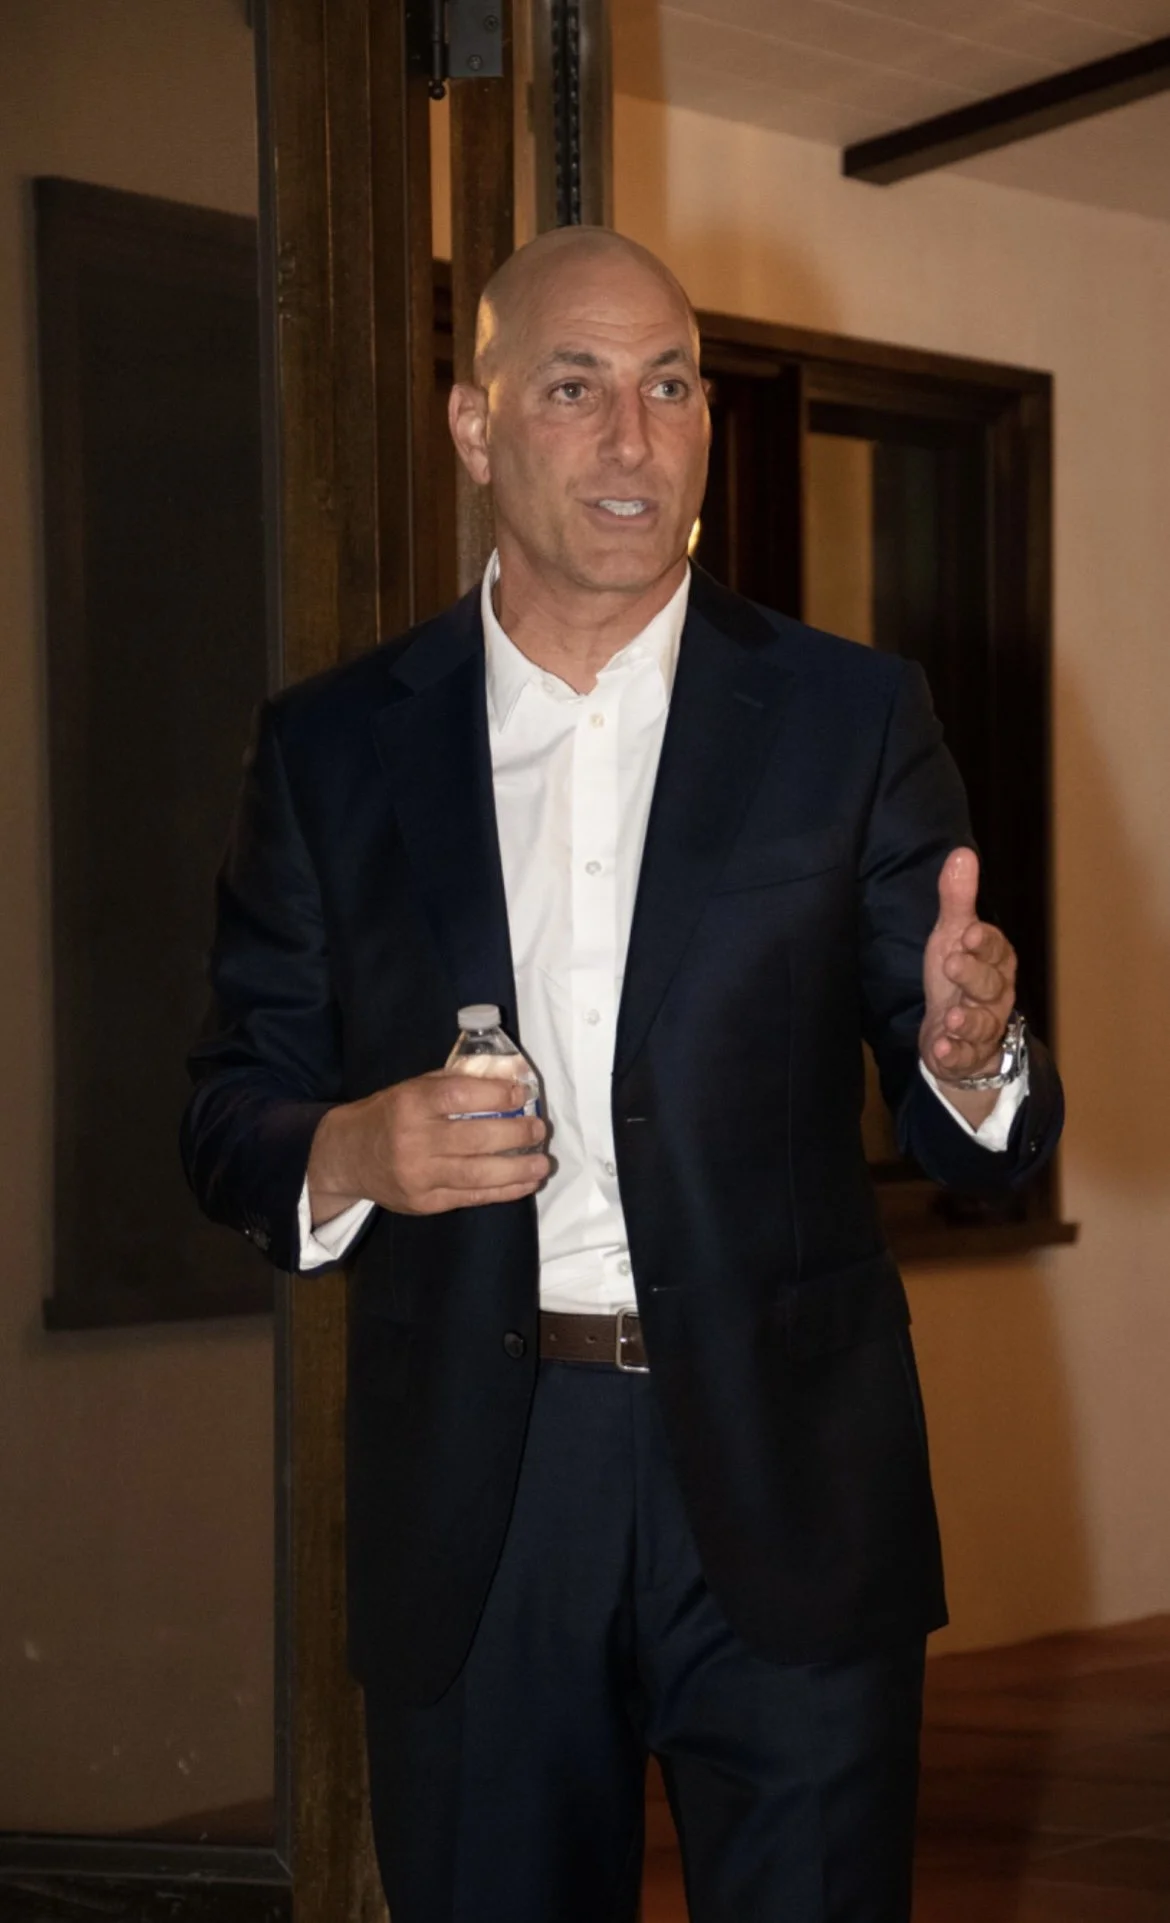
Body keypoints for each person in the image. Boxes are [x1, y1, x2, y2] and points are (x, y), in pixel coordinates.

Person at [182, 227, 1063, 1922]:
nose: (631, 437)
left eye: (668, 387)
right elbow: (228, 1107)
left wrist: (973, 1049)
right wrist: (354, 1147)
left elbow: (979, 1116)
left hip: (794, 1483)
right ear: (473, 424)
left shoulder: (849, 717)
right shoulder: (334, 748)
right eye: (573, 388)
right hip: (483, 1496)